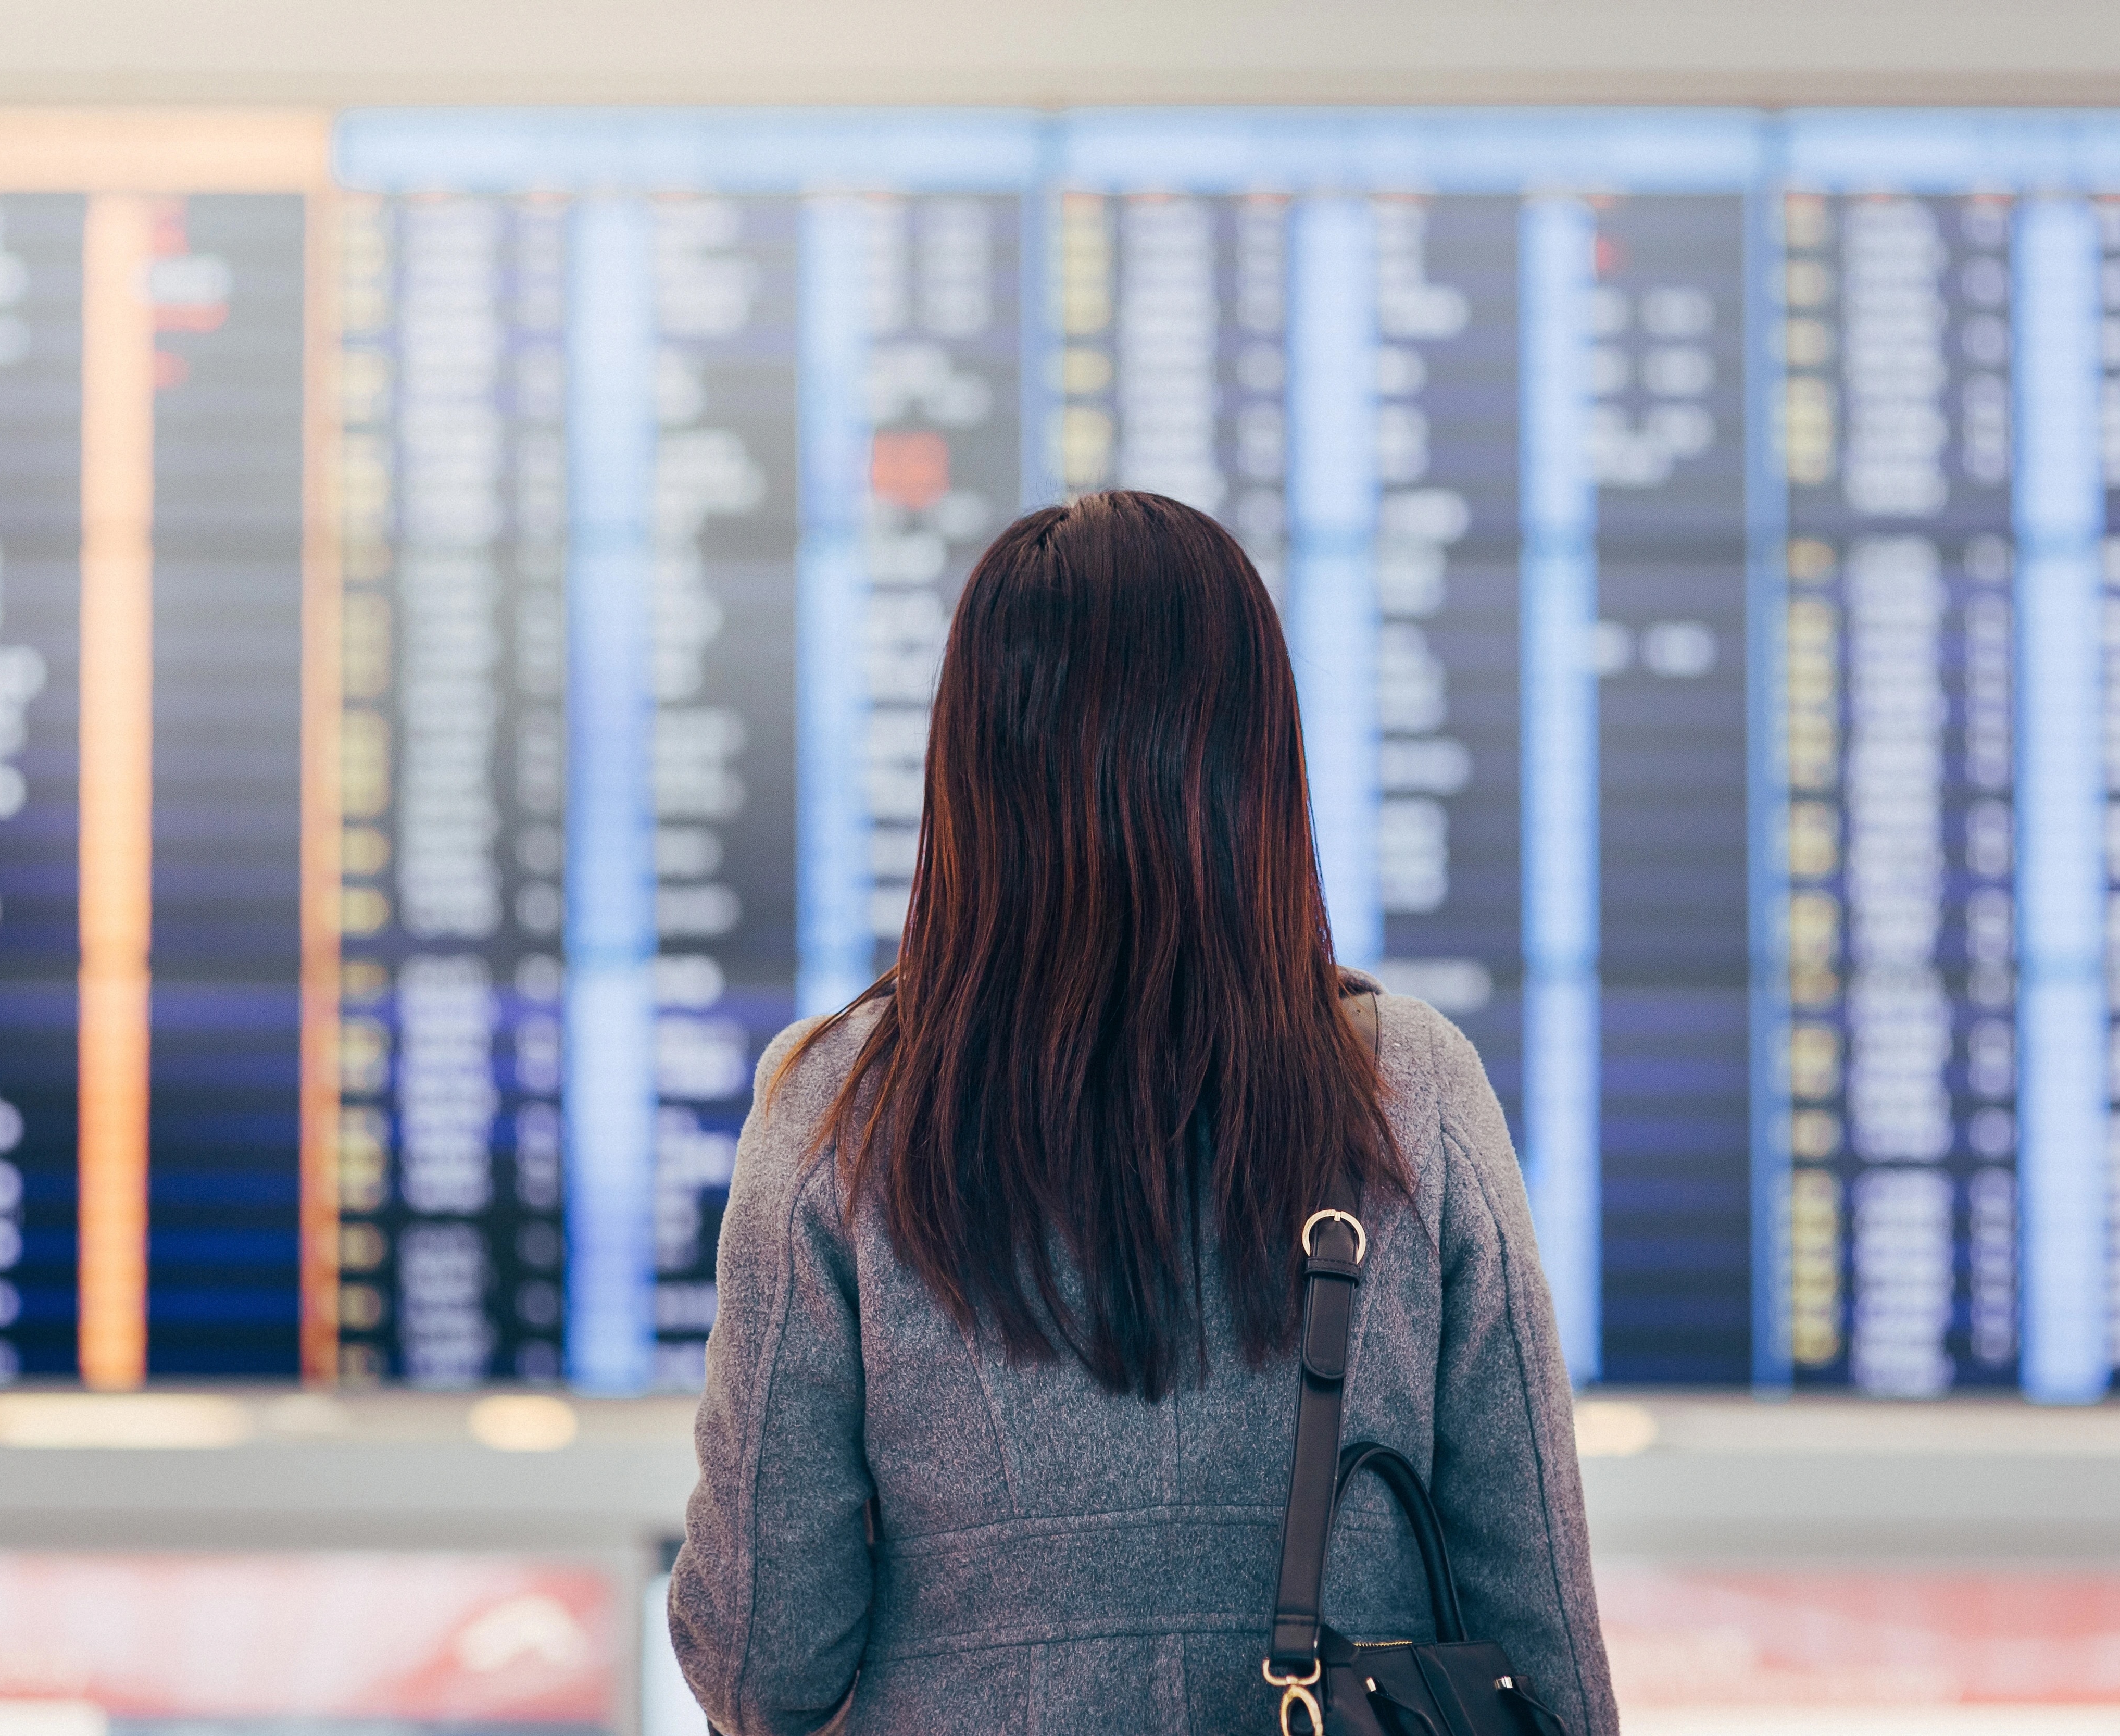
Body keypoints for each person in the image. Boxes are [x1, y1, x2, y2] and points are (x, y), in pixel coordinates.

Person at [669, 490, 1616, 1734]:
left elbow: (761, 1662)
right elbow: (1541, 1629)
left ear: (968, 764)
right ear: (1257, 760)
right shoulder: (1407, 1090)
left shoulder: (837, 1114)